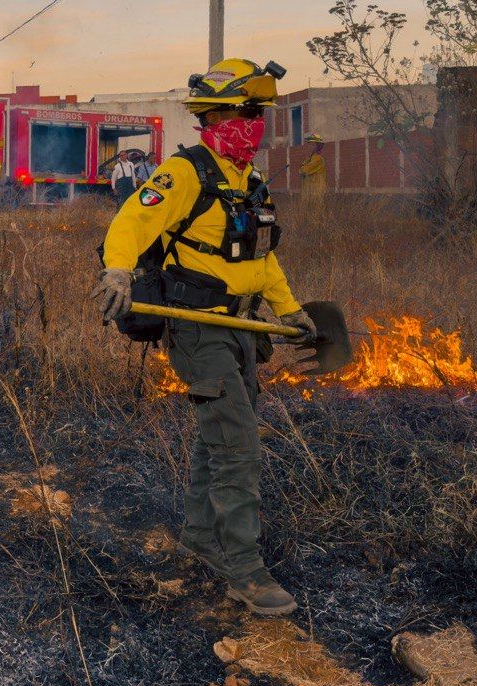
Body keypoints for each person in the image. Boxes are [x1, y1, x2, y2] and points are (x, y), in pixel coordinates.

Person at [91, 57, 317, 618]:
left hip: (243, 328)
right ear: (215, 118)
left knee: (217, 433)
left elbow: (263, 260)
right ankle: (243, 567)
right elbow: (131, 221)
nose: (255, 124)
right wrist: (118, 271)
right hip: (198, 327)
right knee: (237, 442)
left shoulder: (252, 182)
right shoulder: (185, 172)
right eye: (246, 113)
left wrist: (292, 311)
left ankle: (199, 532)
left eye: (259, 113)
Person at [299, 134, 327, 206]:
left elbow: (304, 170)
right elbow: (301, 169)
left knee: (315, 214)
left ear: (317, 146)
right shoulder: (309, 159)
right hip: (308, 191)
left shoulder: (318, 159)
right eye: (308, 144)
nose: (308, 146)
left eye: (311, 144)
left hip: (316, 192)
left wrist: (302, 168)